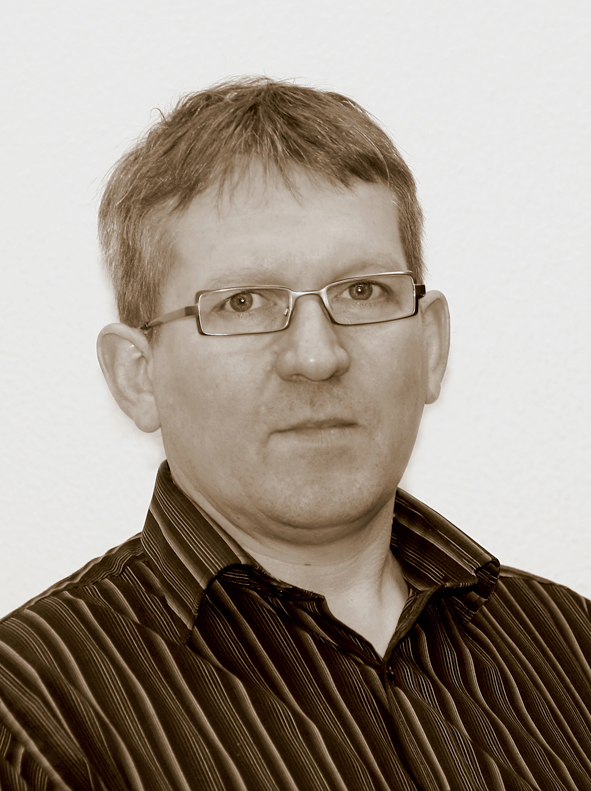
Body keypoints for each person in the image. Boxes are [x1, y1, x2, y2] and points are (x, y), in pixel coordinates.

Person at [1, 78, 590, 791]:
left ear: (431, 346)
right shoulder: (32, 720)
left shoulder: (570, 646)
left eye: (362, 292)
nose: (316, 356)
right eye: (243, 302)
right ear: (138, 376)